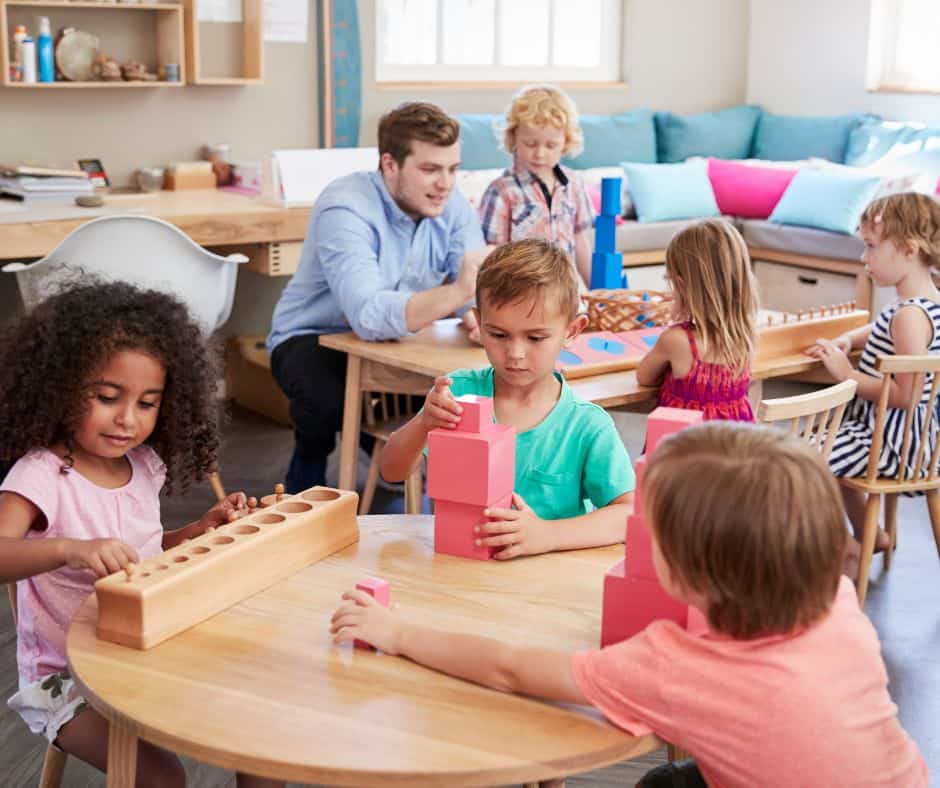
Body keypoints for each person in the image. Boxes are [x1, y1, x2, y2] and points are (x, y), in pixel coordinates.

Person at [332, 423, 929, 788]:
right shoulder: (837, 604)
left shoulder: (679, 668)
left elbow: (510, 669)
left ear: (691, 573)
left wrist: (398, 632)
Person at [0, 281, 281, 788]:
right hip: (66, 680)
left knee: (260, 729)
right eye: (108, 397)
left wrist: (198, 531)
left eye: (148, 403)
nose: (128, 419)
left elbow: (145, 554)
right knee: (162, 778)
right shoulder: (41, 473)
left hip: (146, 645)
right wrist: (67, 549)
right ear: (60, 386)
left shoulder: (143, 465)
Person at [267, 102, 489, 493]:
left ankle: (396, 458)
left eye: (453, 169)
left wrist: (478, 316)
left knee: (474, 374)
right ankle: (305, 479)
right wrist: (458, 292)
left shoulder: (451, 205)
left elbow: (474, 285)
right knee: (326, 396)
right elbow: (368, 315)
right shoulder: (345, 206)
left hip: (403, 336)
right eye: (430, 169)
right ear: (389, 164)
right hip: (312, 335)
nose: (445, 184)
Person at [379, 239, 634, 558]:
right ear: (479, 323)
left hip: (543, 584)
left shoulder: (587, 425)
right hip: (458, 569)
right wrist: (423, 424)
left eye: (536, 337)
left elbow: (628, 514)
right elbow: (391, 472)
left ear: (572, 331)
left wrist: (547, 534)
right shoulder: (457, 394)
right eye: (498, 335)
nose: (515, 354)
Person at [808, 192, 940, 561]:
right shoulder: (921, 305)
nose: (864, 259)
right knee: (818, 444)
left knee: (800, 458)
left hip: (893, 445)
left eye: (872, 247)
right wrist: (848, 338)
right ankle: (871, 535)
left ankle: (844, 549)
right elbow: (879, 328)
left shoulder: (909, 317)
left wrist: (847, 374)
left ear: (910, 249)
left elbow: (905, 396)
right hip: (904, 440)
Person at [637, 219, 758, 422]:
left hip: (684, 452)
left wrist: (675, 313)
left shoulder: (676, 340)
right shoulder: (745, 336)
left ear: (682, 286)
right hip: (734, 451)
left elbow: (644, 377)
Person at [478, 85, 595, 288]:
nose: (540, 154)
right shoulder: (502, 192)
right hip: (518, 294)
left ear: (565, 142)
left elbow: (580, 240)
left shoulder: (574, 184)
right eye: (530, 144)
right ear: (514, 138)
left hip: (565, 294)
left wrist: (597, 291)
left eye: (551, 145)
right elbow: (490, 258)